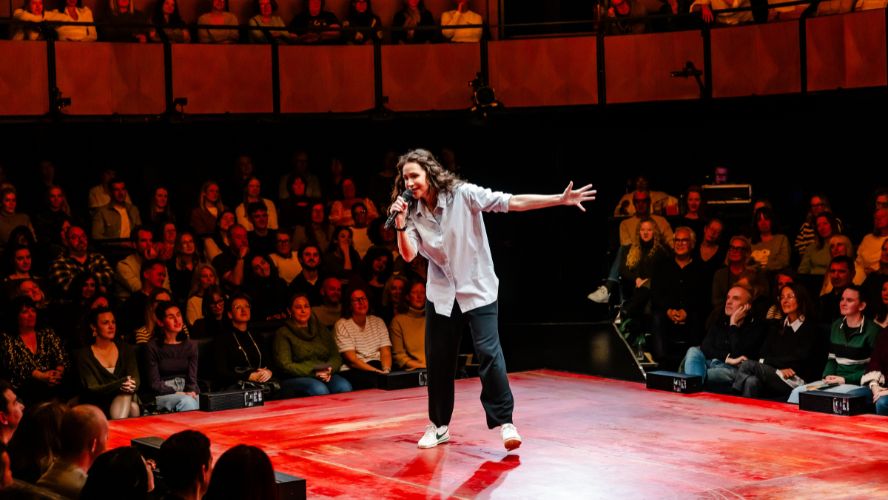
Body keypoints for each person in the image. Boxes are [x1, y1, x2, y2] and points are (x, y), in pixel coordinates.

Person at [389, 148, 595, 451]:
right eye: (405, 177)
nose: (409, 182)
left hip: (477, 287)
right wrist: (400, 223)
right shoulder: (413, 213)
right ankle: (439, 425)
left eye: (414, 176)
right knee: (439, 360)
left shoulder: (463, 194)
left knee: (489, 352)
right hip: (443, 294)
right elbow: (408, 255)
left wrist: (559, 199)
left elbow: (510, 202)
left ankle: (506, 422)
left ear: (429, 173)